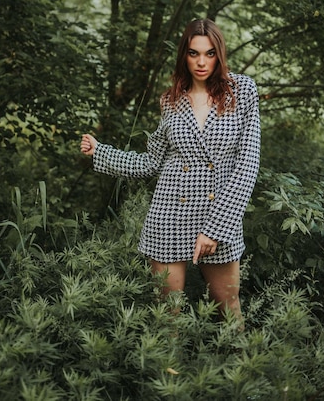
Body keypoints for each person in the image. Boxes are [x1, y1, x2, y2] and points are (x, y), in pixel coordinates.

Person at [81, 18, 260, 323]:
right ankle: (168, 369)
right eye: (193, 53)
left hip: (218, 217)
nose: (201, 62)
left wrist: (214, 229)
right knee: (167, 317)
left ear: (219, 54)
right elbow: (152, 162)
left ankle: (238, 368)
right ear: (184, 55)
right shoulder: (171, 100)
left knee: (229, 312)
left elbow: (247, 165)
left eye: (209, 53)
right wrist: (102, 152)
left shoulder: (241, 91)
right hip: (170, 216)